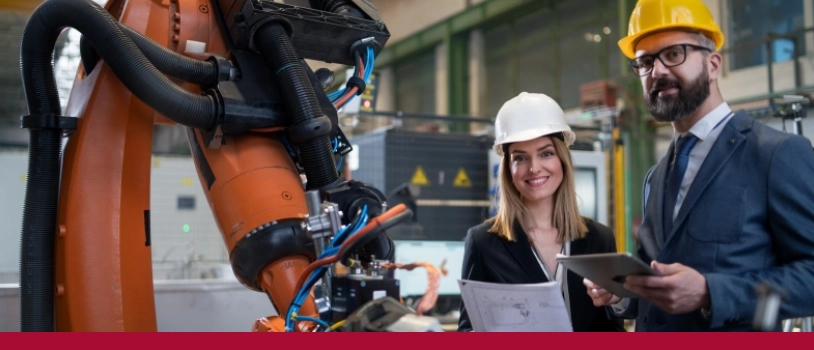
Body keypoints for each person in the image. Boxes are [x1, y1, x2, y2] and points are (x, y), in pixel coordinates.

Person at [584, 0, 814, 331]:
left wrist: (711, 292)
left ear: (714, 64)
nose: (658, 71)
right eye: (645, 62)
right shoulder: (656, 176)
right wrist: (619, 294)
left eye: (674, 54)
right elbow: (657, 280)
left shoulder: (776, 155)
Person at [458, 92, 625, 332]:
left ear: (562, 159)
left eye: (546, 153)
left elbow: (612, 329)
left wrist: (617, 300)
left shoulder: (599, 239)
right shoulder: (483, 242)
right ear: (509, 169)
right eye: (520, 158)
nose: (534, 168)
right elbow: (467, 331)